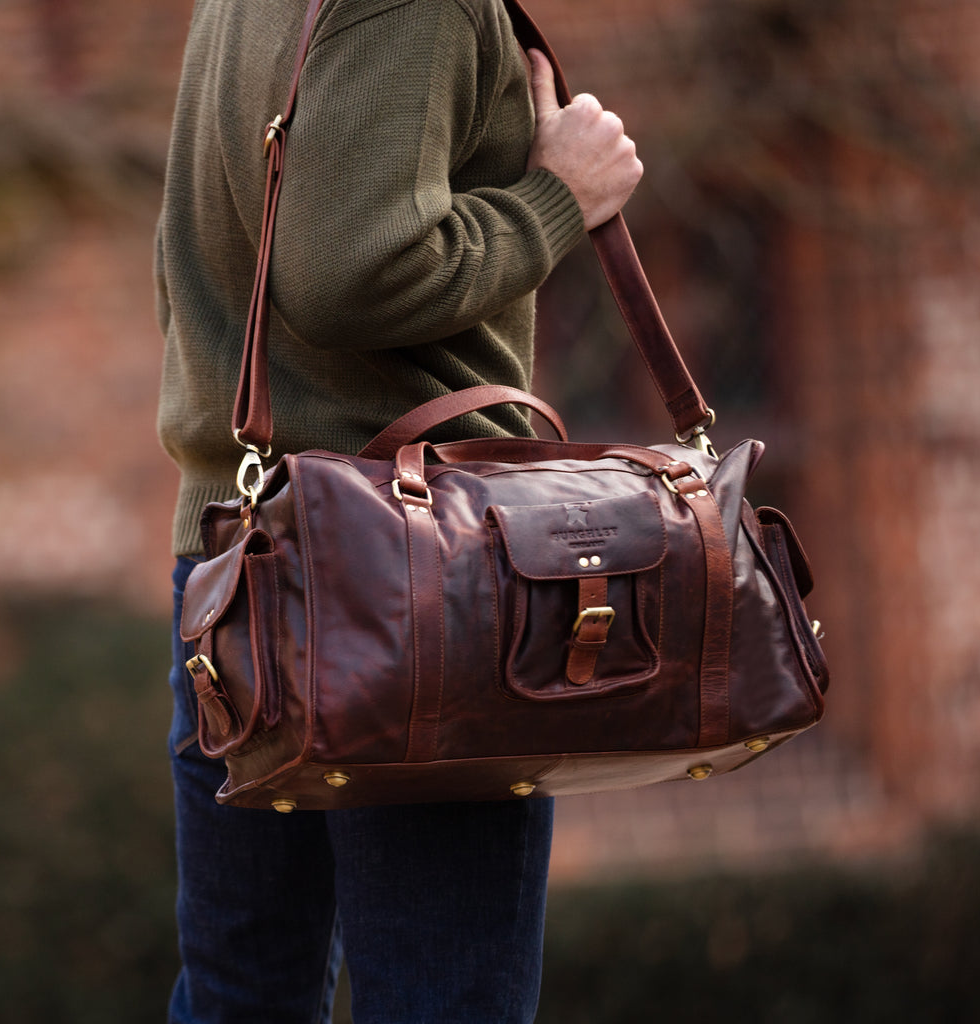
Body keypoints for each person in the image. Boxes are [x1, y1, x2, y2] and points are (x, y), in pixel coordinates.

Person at [154, 1, 642, 1021]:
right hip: (414, 567)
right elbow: (352, 273)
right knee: (442, 995)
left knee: (243, 993)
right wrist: (558, 197)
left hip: (237, 557)